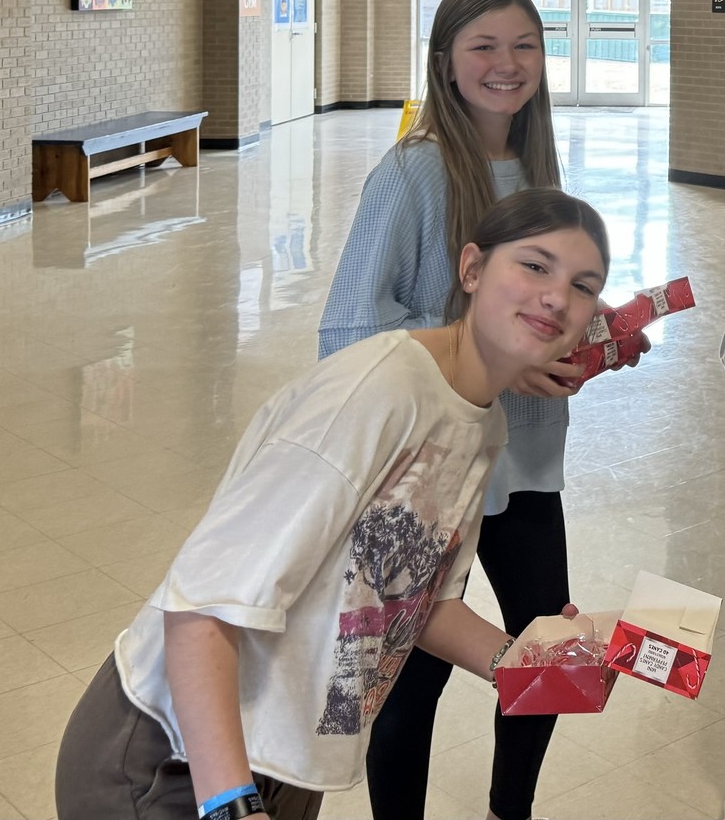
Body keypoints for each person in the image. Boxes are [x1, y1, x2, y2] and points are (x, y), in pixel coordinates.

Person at [55, 188, 610, 820]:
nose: (556, 297)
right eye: (535, 266)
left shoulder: (482, 425)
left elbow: (414, 600)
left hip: (285, 760)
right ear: (473, 269)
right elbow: (201, 607)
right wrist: (232, 805)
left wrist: (528, 666)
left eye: (583, 284)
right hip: (174, 760)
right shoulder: (376, 393)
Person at [318, 0, 586, 820]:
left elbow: (538, 303)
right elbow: (347, 326)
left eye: (525, 46)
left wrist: (593, 331)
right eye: (484, 46)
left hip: (528, 463)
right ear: (445, 62)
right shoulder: (413, 173)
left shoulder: (540, 168)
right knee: (411, 682)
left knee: (545, 657)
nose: (507, 65)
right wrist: (499, 353)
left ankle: (514, 811)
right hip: (435, 471)